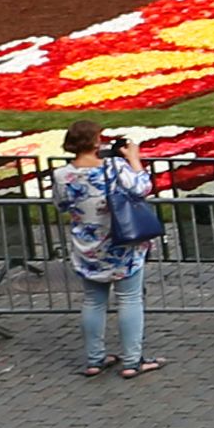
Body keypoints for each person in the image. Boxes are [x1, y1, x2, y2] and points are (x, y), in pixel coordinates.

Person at [52, 123, 161, 378]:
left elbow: (60, 204)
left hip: (87, 246)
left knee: (93, 301)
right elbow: (142, 188)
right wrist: (134, 158)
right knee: (130, 299)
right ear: (96, 143)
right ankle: (132, 361)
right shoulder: (114, 168)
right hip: (121, 243)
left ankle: (94, 359)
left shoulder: (61, 175)